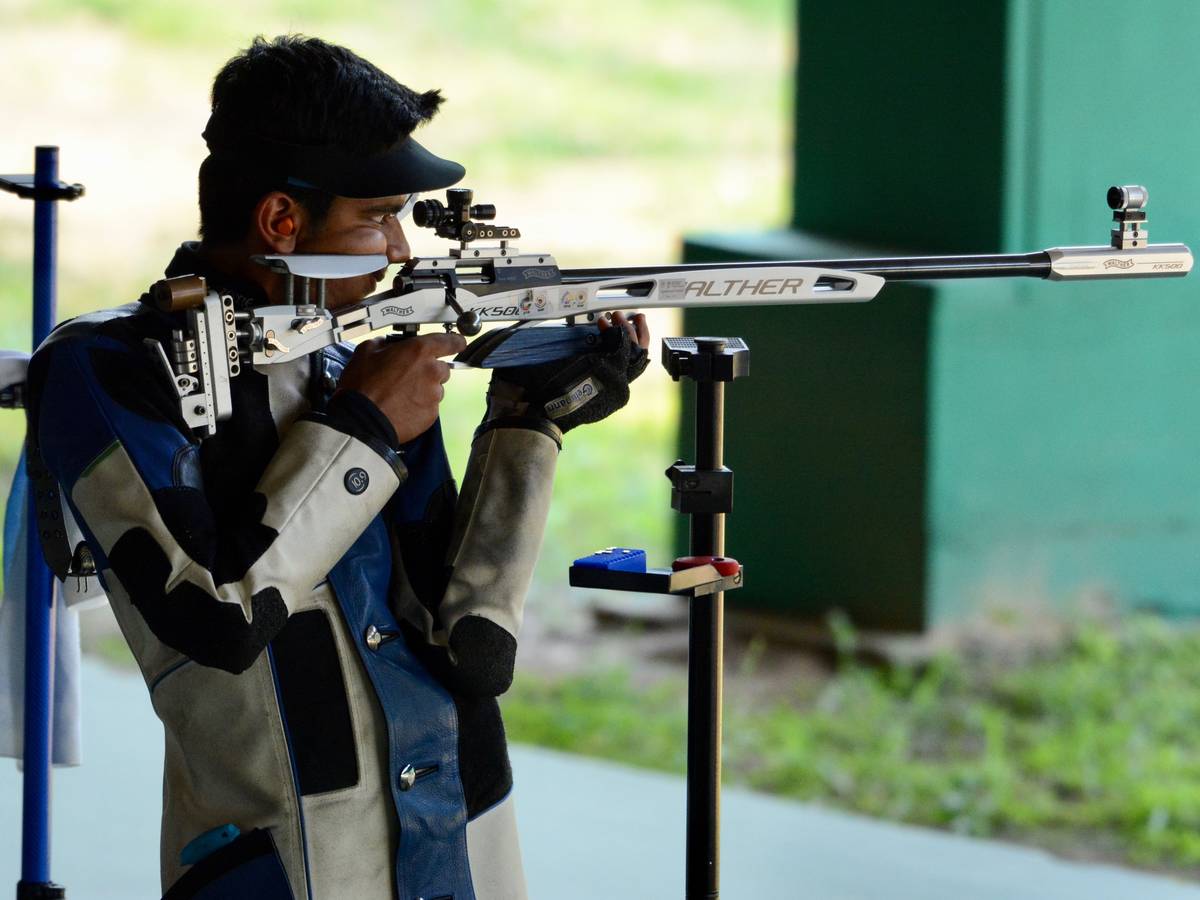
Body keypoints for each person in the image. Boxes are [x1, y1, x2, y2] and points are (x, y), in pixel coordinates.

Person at [27, 35, 649, 900]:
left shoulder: (350, 356)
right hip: (289, 851)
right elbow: (217, 616)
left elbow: (471, 644)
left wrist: (527, 424)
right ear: (283, 222)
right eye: (376, 216)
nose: (399, 246)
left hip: (465, 824)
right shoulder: (112, 370)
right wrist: (362, 426)